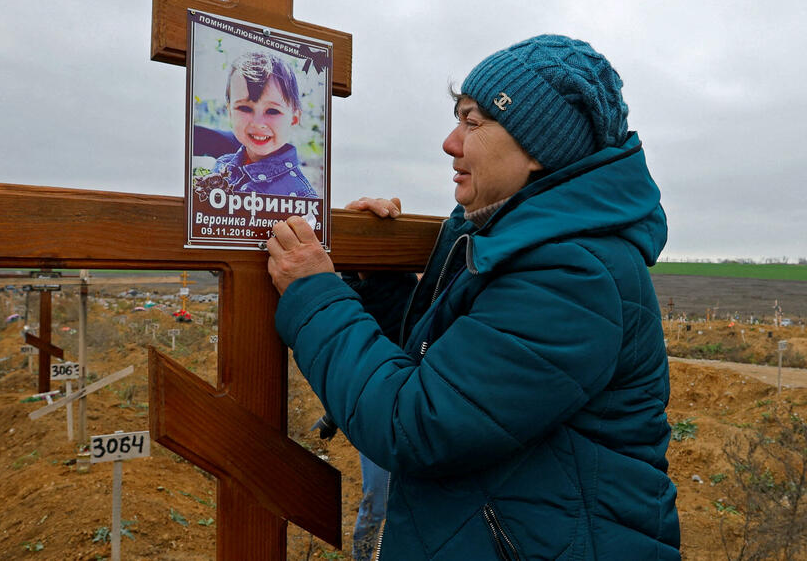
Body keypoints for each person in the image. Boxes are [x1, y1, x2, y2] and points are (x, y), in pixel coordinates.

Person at [266, 35, 680, 559]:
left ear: (539, 149)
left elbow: (414, 422)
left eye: (474, 122)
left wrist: (314, 293)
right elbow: (449, 369)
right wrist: (376, 281)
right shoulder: (514, 243)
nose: (450, 142)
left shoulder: (573, 275)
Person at [209, 51, 318, 198]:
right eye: (244, 108)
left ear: (294, 118)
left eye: (272, 111)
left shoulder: (302, 195)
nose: (258, 123)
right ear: (230, 112)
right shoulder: (222, 166)